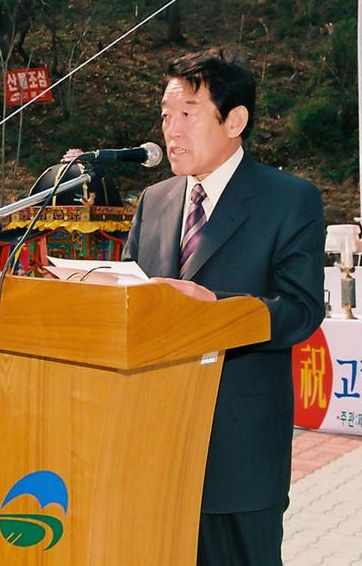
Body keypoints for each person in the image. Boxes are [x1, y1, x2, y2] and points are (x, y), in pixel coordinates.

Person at [123, 48, 324, 565]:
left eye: (188, 113)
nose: (172, 130)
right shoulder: (156, 201)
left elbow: (301, 310)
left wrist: (218, 308)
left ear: (235, 120)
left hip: (238, 449)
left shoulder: (288, 199)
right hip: (153, 442)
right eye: (166, 115)